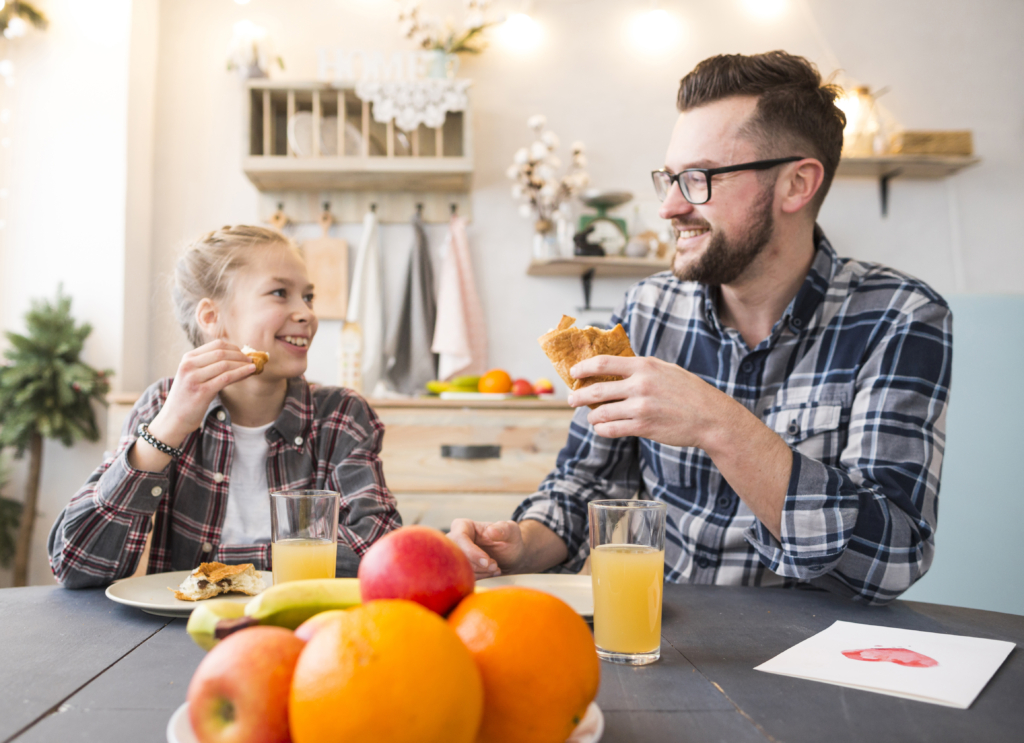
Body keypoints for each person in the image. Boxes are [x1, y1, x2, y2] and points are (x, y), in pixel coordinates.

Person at [449, 51, 952, 605]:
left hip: (821, 657)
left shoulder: (900, 316)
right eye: (668, 178)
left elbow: (893, 559)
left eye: (697, 179)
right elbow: (588, 486)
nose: (667, 208)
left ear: (796, 185)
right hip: (664, 637)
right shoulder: (648, 309)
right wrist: (520, 544)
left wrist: (718, 423)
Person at [48, 225, 400, 588]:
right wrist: (166, 431)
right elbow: (75, 565)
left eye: (308, 297)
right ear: (212, 317)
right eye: (280, 293)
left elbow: (378, 553)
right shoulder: (160, 406)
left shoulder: (341, 416)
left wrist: (214, 568)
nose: (307, 313)